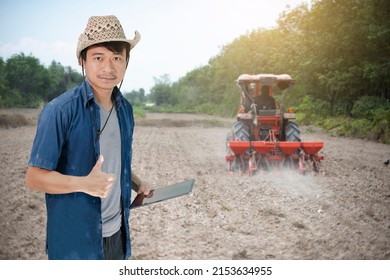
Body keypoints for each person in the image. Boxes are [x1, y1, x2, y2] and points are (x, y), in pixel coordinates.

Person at [24, 15, 151, 260]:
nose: (108, 68)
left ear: (126, 62)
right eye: (98, 57)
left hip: (117, 235)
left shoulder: (125, 109)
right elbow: (33, 178)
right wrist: (83, 184)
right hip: (75, 243)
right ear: (82, 60)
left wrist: (138, 184)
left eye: (117, 58)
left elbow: (115, 160)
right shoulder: (60, 111)